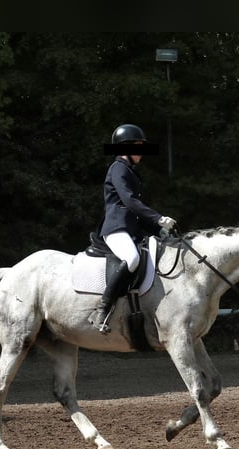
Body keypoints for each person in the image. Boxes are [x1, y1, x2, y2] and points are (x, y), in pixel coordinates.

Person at [88, 123, 177, 333]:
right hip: (115, 228)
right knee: (133, 259)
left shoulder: (131, 172)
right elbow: (129, 202)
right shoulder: (118, 168)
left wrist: (160, 231)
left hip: (130, 228)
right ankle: (102, 309)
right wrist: (158, 218)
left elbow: (136, 212)